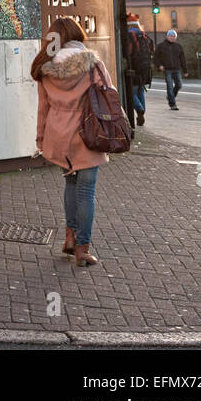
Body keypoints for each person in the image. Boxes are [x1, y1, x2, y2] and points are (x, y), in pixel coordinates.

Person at [32, 16, 109, 267]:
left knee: (71, 185)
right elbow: (109, 95)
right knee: (86, 191)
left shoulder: (45, 67)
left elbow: (43, 108)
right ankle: (83, 249)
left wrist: (41, 139)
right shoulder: (93, 64)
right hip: (88, 136)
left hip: (59, 137)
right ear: (76, 36)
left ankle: (69, 238)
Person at [125, 14, 154, 126]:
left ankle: (139, 109)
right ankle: (141, 113)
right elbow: (152, 50)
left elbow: (128, 51)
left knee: (132, 92)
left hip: (134, 67)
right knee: (141, 90)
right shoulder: (144, 35)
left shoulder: (129, 35)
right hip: (145, 68)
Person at [155, 28, 187, 111]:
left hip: (177, 69)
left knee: (179, 85)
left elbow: (182, 59)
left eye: (174, 36)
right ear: (167, 36)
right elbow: (156, 58)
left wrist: (185, 70)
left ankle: (170, 96)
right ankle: (172, 104)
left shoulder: (178, 46)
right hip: (167, 69)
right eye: (170, 36)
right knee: (169, 86)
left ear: (175, 37)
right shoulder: (161, 46)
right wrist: (159, 65)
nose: (172, 37)